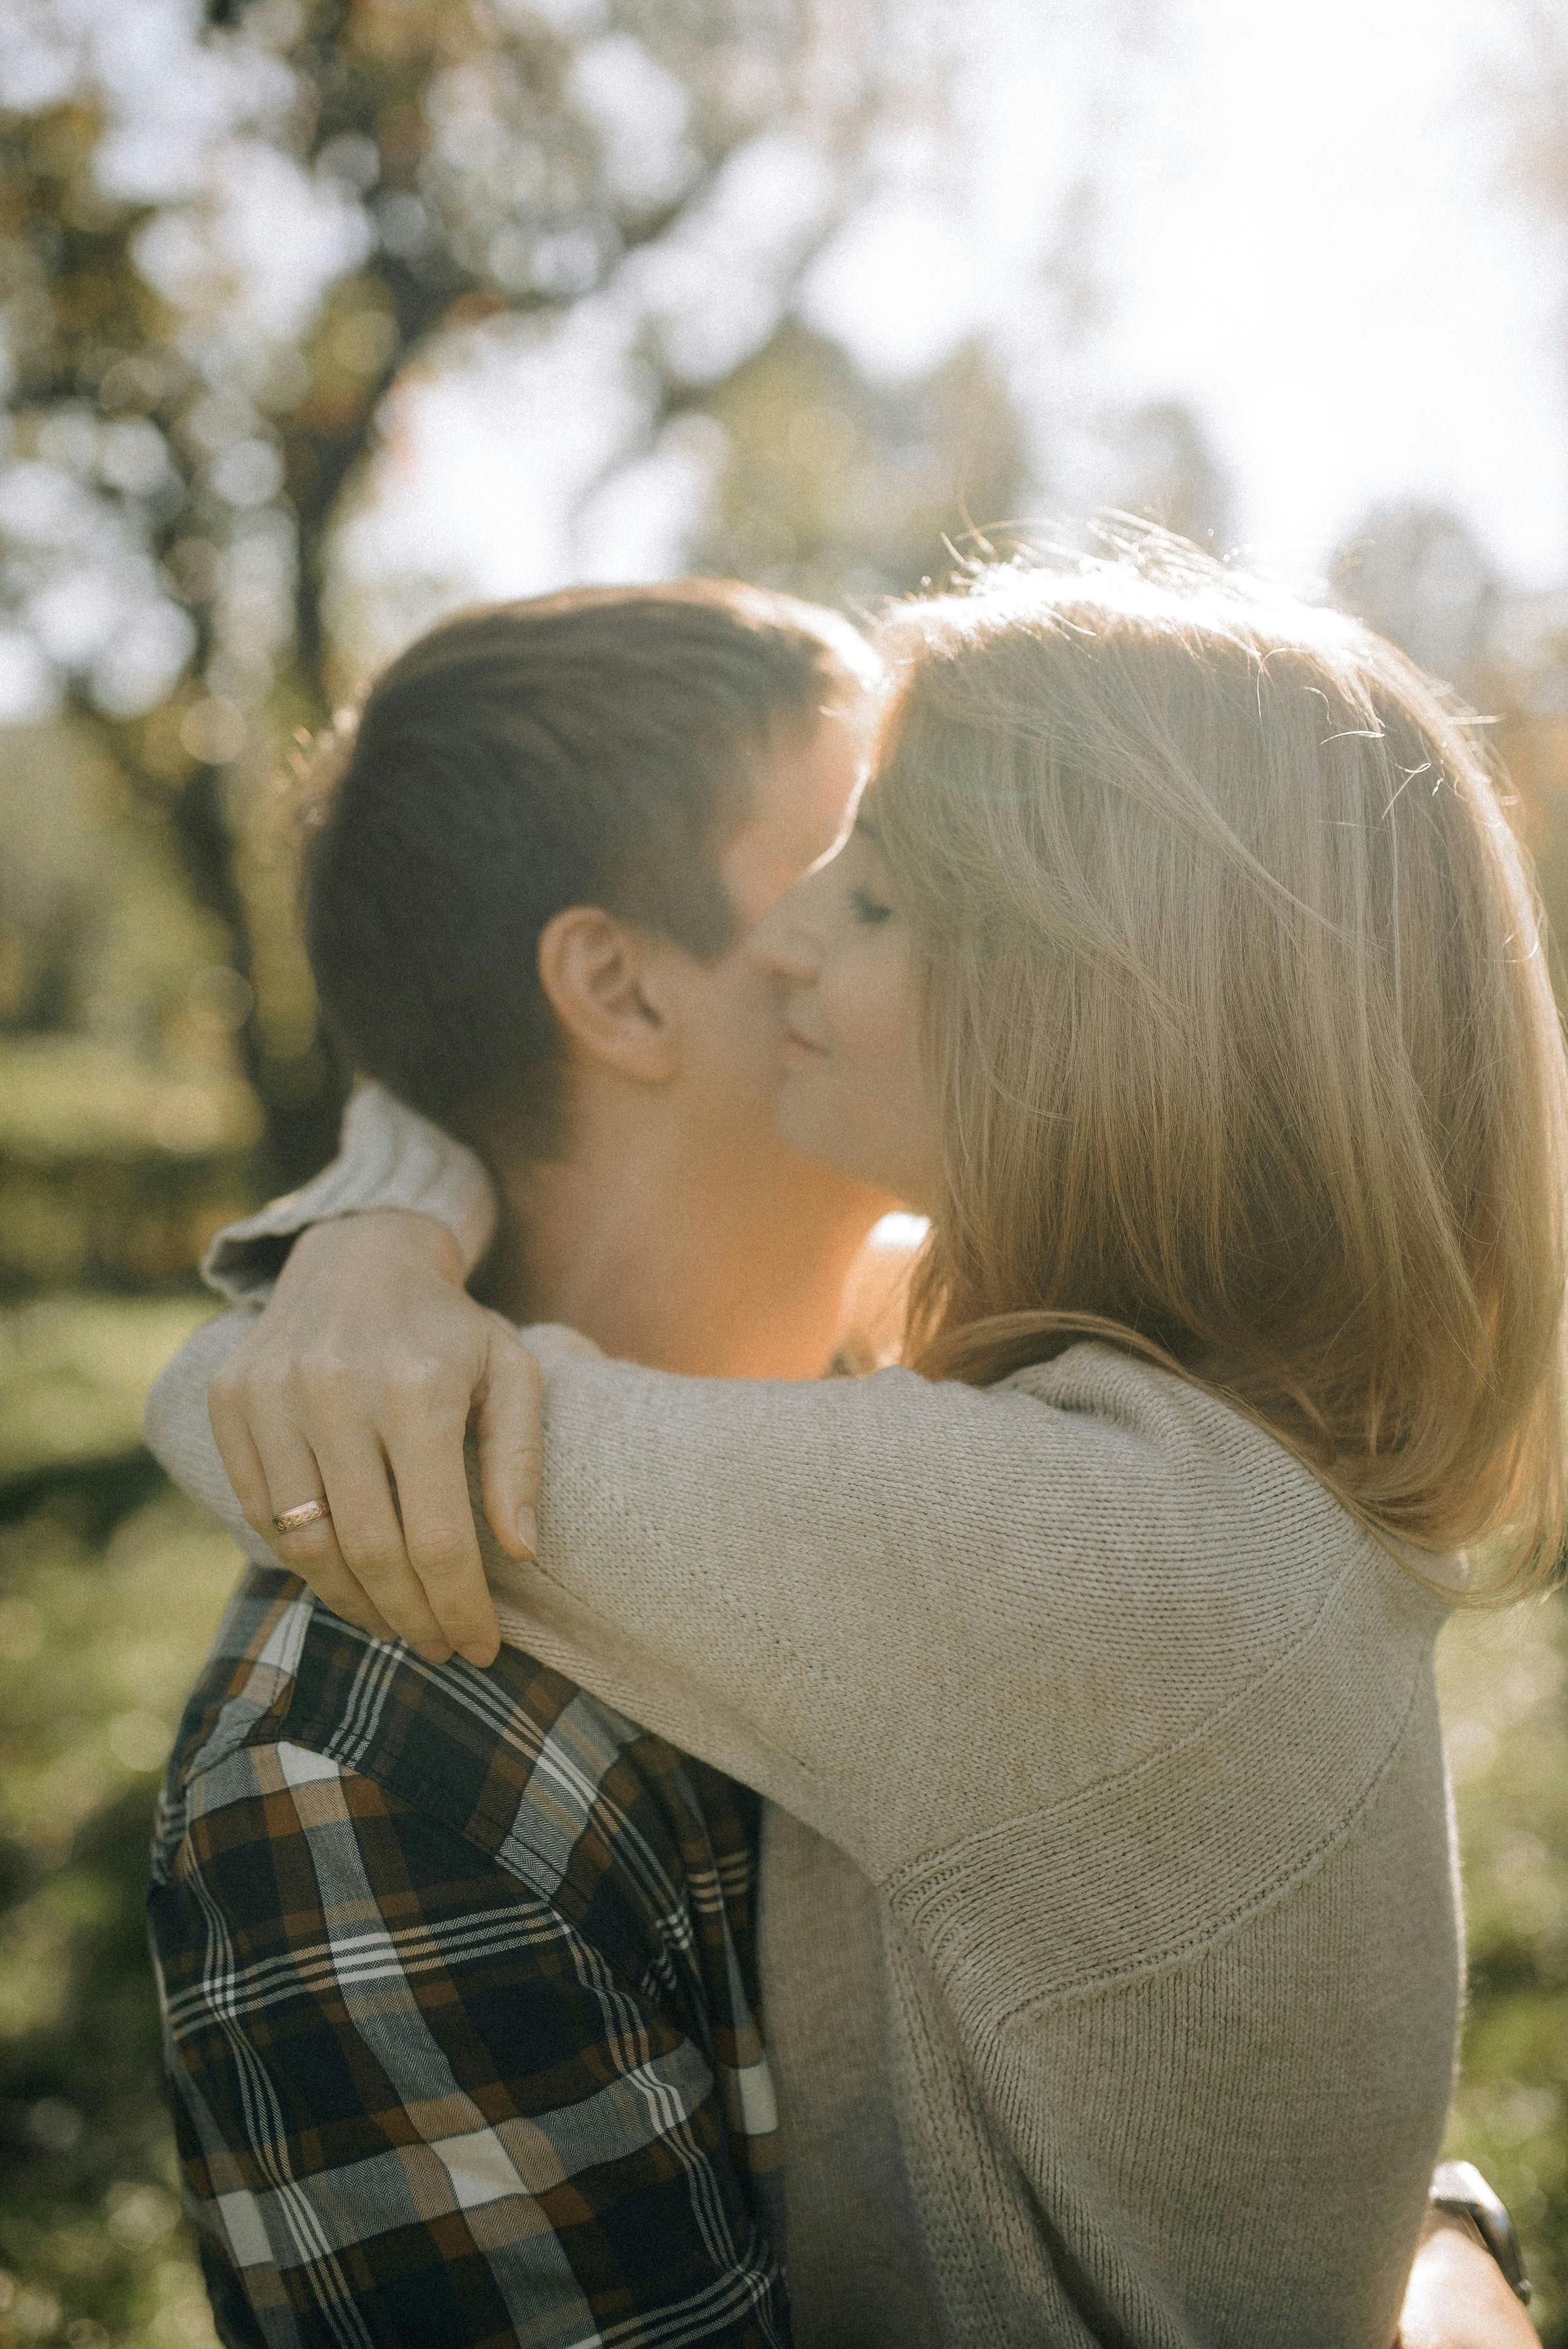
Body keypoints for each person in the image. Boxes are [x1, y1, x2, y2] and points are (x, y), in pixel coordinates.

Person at [147, 547, 1554, 2346]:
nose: (818, 922)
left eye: (887, 882)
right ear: (622, 992)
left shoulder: (1028, 1504)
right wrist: (379, 1235)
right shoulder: (368, 1755)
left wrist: (330, 1295)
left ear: (1084, 993)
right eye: (821, 855)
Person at [142, 577, 902, 2349]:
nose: (980, 907)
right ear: (621, 991)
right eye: (868, 858)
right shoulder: (368, 1767)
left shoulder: (983, 1390)